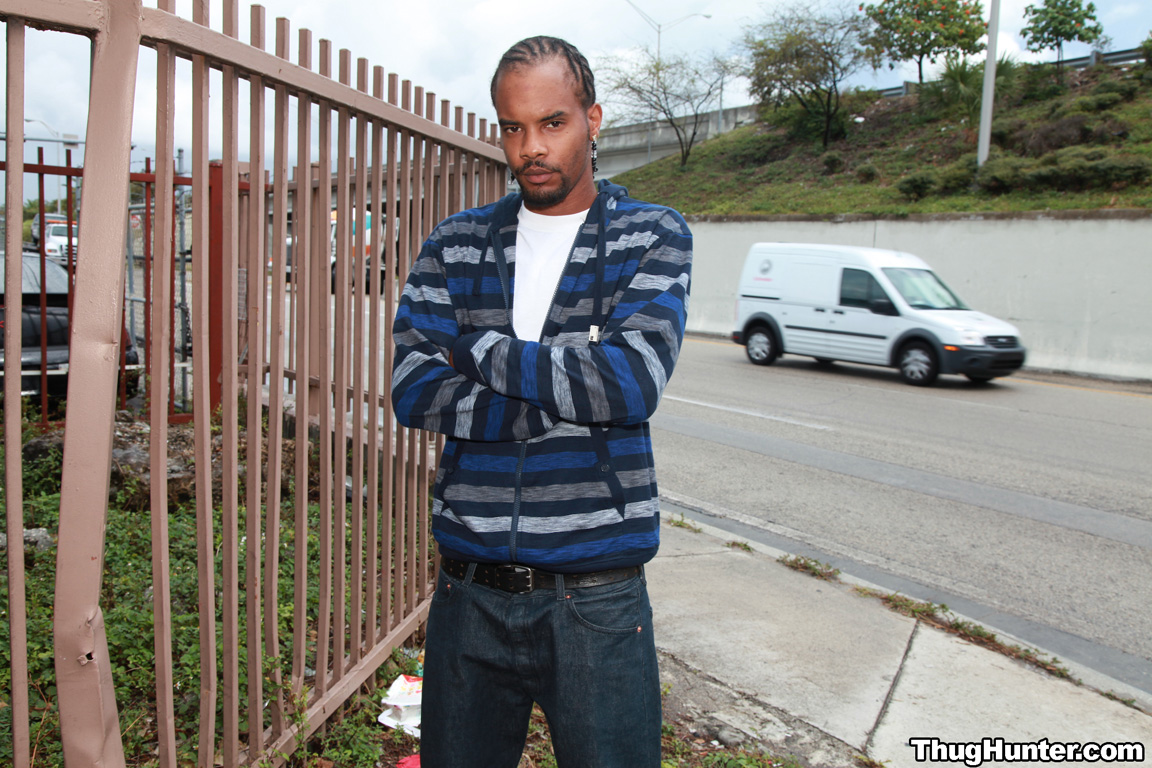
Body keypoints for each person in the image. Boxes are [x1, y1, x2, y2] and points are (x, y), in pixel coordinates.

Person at [390, 35, 692, 768]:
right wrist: (542, 406)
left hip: (597, 600)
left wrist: (479, 351)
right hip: (468, 592)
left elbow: (629, 383)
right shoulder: (456, 244)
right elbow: (412, 387)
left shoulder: (650, 235)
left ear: (593, 119)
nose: (531, 147)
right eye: (513, 127)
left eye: (553, 123)